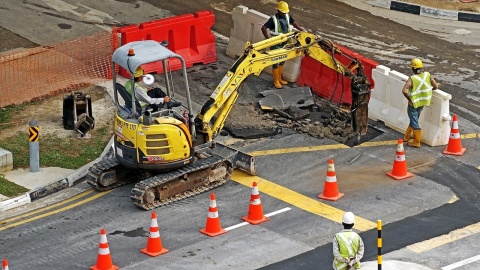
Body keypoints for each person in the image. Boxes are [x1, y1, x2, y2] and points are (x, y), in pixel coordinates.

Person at [261, 1, 304, 89]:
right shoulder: (273, 20)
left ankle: (280, 79)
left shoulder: (287, 16)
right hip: (276, 44)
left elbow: (294, 23)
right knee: (276, 62)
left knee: (282, 61)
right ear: (278, 11)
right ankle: (276, 81)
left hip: (285, 43)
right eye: (282, 12)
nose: (284, 14)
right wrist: (268, 39)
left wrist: (300, 29)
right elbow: (263, 28)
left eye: (285, 12)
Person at [402, 58, 439, 148]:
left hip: (413, 104)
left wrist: (409, 99)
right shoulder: (427, 75)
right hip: (423, 102)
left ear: (413, 69)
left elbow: (404, 90)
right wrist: (429, 91)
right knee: (414, 119)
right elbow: (436, 86)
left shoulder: (412, 79)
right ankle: (406, 137)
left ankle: (416, 141)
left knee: (414, 121)